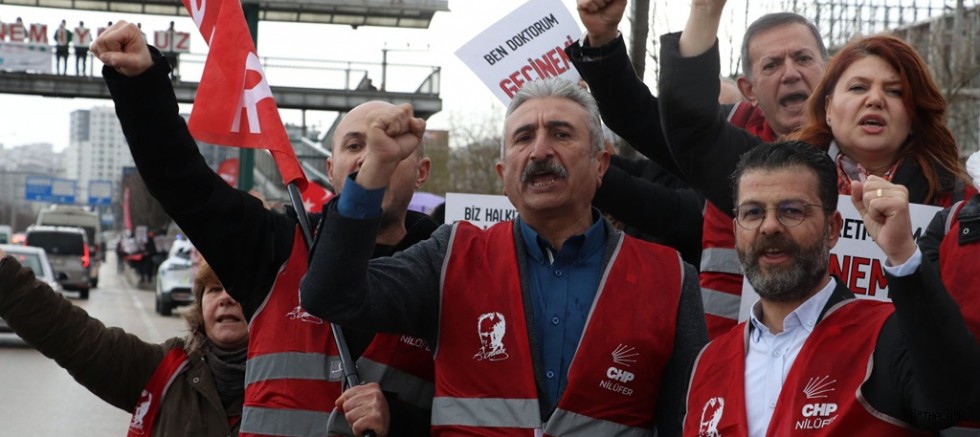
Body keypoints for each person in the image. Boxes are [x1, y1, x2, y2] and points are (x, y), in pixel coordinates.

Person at [300, 77, 708, 436]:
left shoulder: (670, 278)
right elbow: (330, 295)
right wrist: (373, 173)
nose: (540, 151)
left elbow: (688, 420)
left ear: (600, 164)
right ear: (503, 176)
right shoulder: (451, 257)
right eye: (523, 137)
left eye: (561, 134)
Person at [91, 21, 435, 436]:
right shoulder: (275, 247)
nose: (370, 158)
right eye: (354, 145)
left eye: (389, 147)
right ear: (330, 170)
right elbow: (180, 181)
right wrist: (141, 83)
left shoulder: (449, 272)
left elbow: (483, 408)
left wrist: (401, 421)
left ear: (422, 171)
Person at [568, 0, 829, 338]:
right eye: (772, 64)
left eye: (803, 58)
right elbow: (640, 117)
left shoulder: (866, 145)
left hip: (841, 353)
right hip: (726, 349)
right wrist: (602, 39)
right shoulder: (719, 137)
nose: (790, 73)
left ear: (829, 72)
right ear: (749, 90)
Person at [683, 141, 980, 436]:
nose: (770, 226)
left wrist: (903, 254)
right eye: (753, 212)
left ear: (833, 229)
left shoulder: (887, 335)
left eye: (792, 210)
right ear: (736, 233)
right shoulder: (708, 362)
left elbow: (948, 405)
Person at [2, 247, 253, 435]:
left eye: (238, 289)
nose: (226, 298)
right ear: (200, 304)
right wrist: (6, 279)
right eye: (214, 289)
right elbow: (73, 336)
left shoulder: (279, 380)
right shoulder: (166, 370)